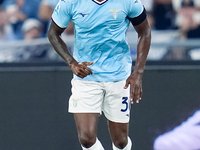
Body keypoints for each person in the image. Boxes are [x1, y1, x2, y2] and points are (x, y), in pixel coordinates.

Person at [48, 0, 151, 149]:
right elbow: (53, 33)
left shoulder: (128, 1)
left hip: (118, 76)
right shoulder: (70, 2)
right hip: (86, 76)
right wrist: (72, 62)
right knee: (86, 138)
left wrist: (138, 73)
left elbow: (144, 31)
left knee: (120, 141)